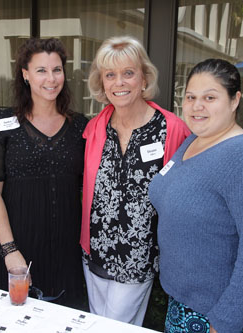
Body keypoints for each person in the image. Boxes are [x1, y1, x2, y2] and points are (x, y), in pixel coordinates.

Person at [149, 59, 243, 333]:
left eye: (210, 97)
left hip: (218, 316)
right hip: (182, 304)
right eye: (190, 97)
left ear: (235, 101)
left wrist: (224, 322)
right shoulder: (193, 140)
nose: (197, 106)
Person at [81, 36, 190, 325]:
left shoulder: (172, 128)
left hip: (139, 254)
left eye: (128, 73)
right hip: (95, 249)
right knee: (98, 322)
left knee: (113, 326)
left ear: (143, 78)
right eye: (110, 75)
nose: (119, 82)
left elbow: (183, 193)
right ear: (102, 83)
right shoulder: (95, 128)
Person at [0, 38, 87, 307]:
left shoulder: (80, 127)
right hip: (17, 250)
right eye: (41, 70)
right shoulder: (2, 127)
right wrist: (10, 251)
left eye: (57, 69)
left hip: (67, 256)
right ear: (25, 75)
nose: (50, 78)